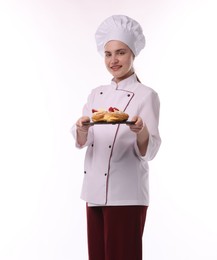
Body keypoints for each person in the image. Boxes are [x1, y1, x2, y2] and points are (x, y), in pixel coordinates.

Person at [71, 15, 161, 260]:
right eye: (108, 54)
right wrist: (80, 127)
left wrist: (140, 130)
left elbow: (151, 150)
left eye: (120, 52)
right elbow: (83, 139)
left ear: (132, 54)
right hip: (94, 193)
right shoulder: (96, 94)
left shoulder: (146, 95)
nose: (113, 60)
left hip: (127, 194)